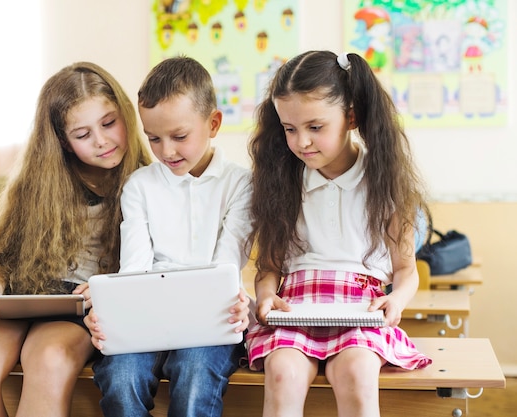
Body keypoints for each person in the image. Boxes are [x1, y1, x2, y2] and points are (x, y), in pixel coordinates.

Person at [0, 61, 152, 417]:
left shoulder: (150, 183)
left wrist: (111, 288)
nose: (101, 141)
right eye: (82, 135)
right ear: (63, 143)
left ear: (126, 116)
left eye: (109, 123)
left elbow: (162, 270)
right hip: (18, 298)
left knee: (49, 360)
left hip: (79, 309)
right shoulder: (38, 184)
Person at [245, 50, 433, 417]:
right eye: (289, 129)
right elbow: (268, 267)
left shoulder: (385, 182)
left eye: (315, 127)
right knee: (282, 372)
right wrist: (267, 296)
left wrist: (395, 302)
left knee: (358, 372)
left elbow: (406, 270)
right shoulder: (281, 182)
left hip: (359, 310)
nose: (301, 142)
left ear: (350, 117)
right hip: (296, 309)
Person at [84, 56, 253, 417]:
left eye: (179, 136)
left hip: (211, 321)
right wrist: (111, 314)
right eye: (153, 139)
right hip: (145, 319)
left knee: (195, 377)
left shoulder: (240, 184)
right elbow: (134, 269)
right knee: (120, 377)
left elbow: (226, 266)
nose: (166, 151)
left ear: (213, 123)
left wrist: (237, 302)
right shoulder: (139, 186)